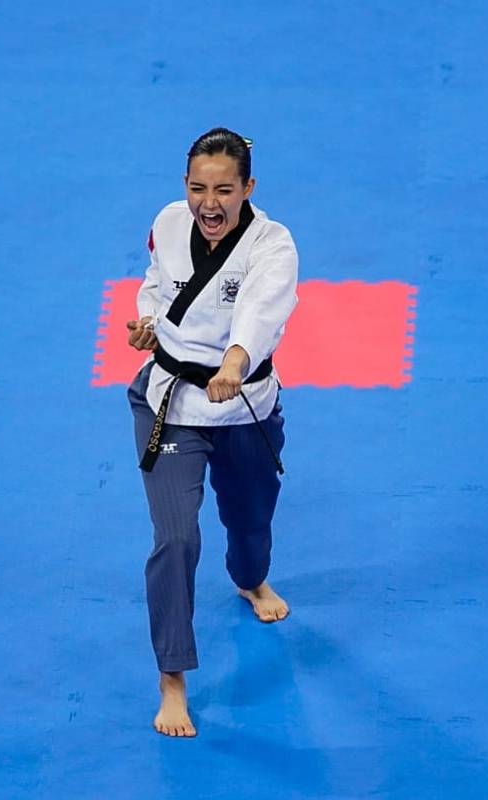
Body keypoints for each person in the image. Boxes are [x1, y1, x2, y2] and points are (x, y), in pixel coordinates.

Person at [125, 127, 299, 738]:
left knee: (251, 522)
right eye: (198, 187)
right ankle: (172, 679)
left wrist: (235, 361)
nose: (209, 202)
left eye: (224, 189)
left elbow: (262, 310)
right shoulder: (169, 222)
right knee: (175, 541)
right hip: (171, 405)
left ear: (248, 188)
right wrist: (146, 324)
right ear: (185, 186)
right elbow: (155, 283)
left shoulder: (273, 246)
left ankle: (250, 578)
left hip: (243, 402)